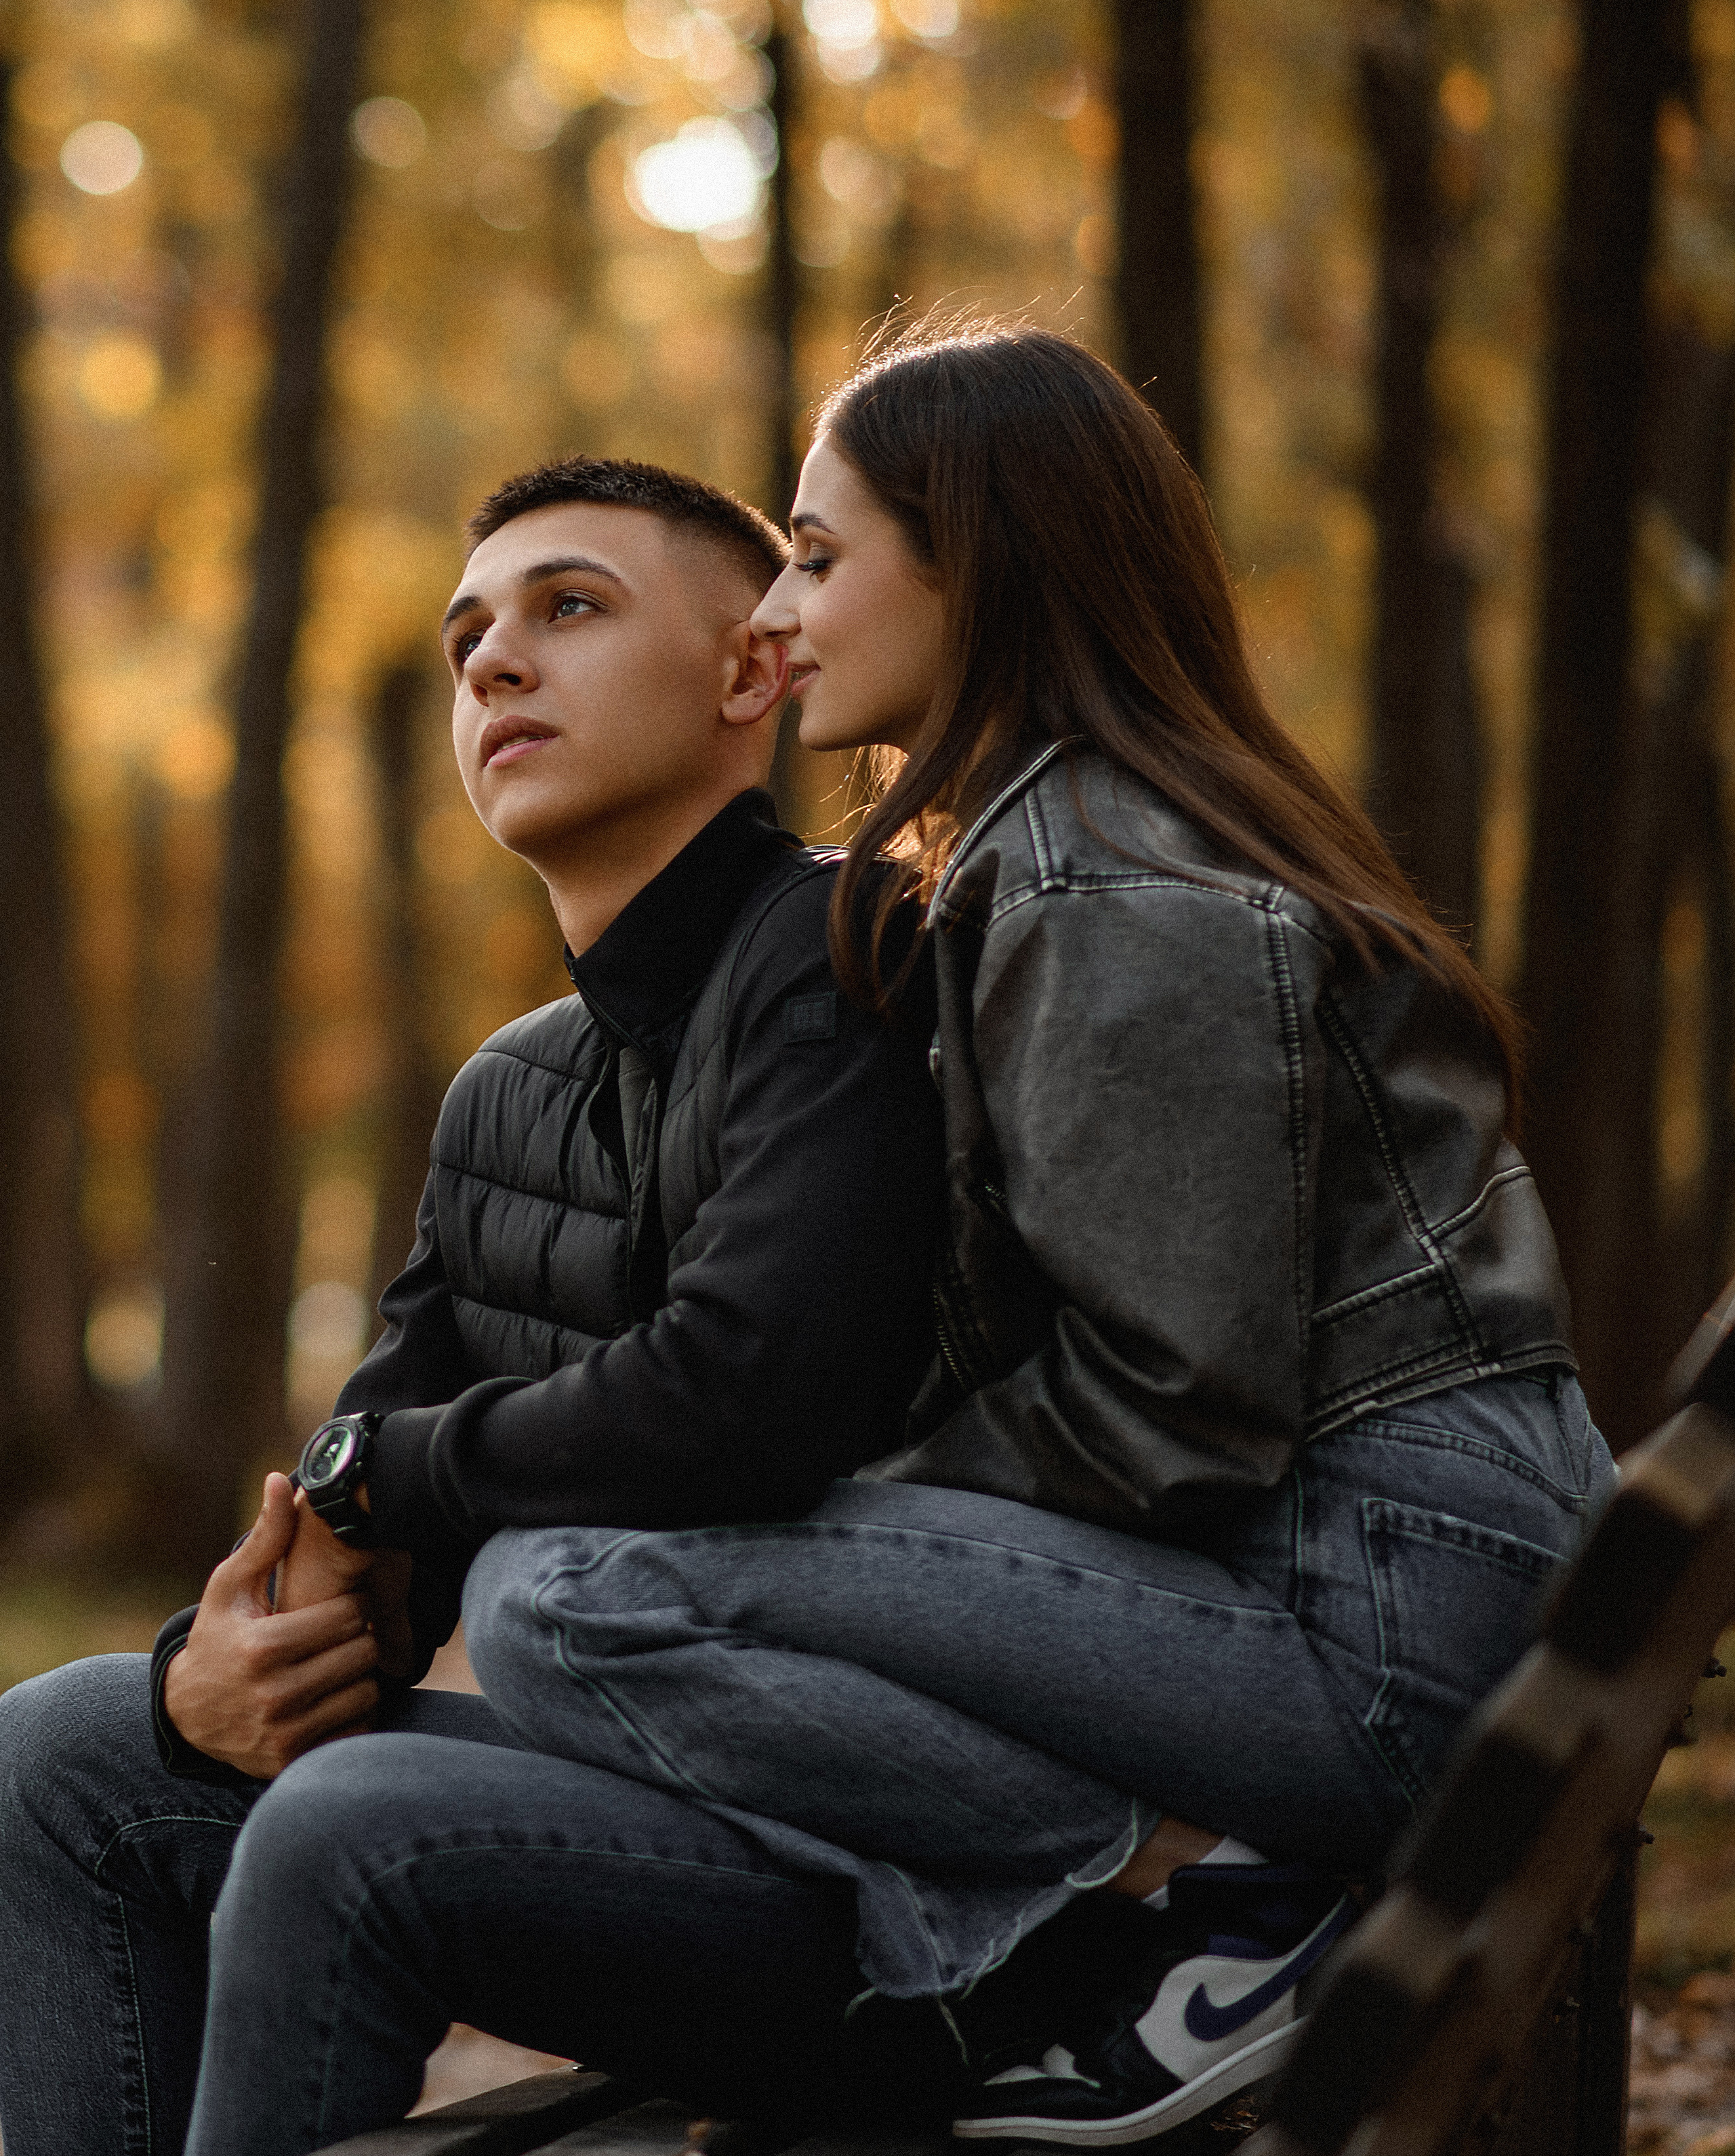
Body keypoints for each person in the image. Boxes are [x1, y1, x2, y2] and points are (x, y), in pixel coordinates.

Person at [454, 324, 1617, 2148]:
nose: (778, 606)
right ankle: (1169, 1911)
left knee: (569, 1591)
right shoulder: (1066, 841)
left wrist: (867, 1495)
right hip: (1398, 1592)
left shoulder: (1101, 877)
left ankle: (1196, 1902)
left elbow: (1179, 1401)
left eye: (820, 556)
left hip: (1382, 1629)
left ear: (976, 562)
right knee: (596, 1578)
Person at [0, 455, 956, 2156]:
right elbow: (352, 1485)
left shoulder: (843, 954)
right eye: (466, 641)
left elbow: (750, 1392)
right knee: (67, 1752)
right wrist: (222, 1673)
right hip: (589, 1807)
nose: (493, 665)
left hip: (862, 1864)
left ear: (752, 673)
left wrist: (396, 1476)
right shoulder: (506, 1093)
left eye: (567, 610)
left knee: (348, 1826)